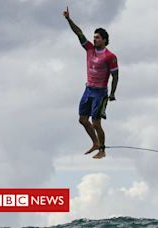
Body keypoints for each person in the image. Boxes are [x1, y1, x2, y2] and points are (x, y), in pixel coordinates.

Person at [63, 6, 119, 159]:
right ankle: (95, 143)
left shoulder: (110, 56)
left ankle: (102, 149)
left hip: (100, 93)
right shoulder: (89, 49)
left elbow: (115, 76)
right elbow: (79, 33)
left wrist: (112, 93)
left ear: (105, 40)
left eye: (98, 38)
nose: (94, 39)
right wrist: (69, 19)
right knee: (82, 119)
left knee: (96, 123)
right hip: (88, 89)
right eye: (94, 37)